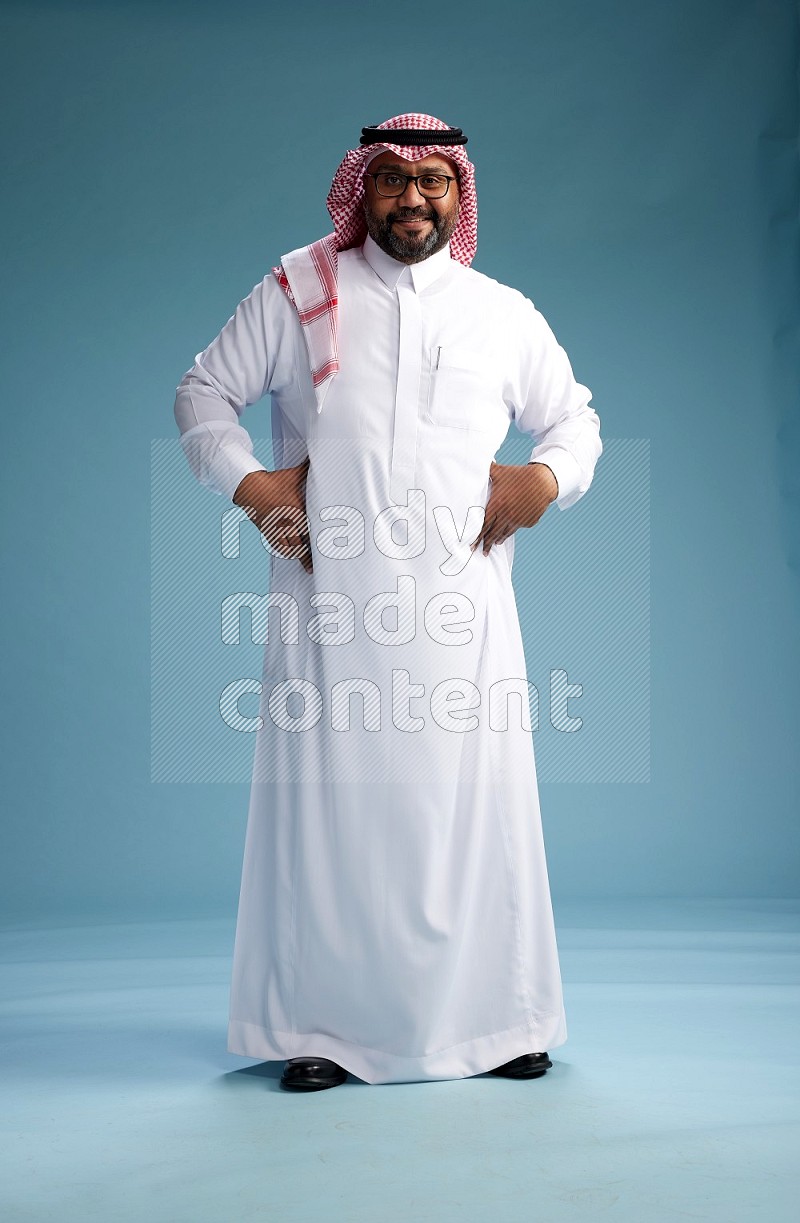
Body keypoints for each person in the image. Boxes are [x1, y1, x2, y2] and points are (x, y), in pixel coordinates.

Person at [173, 113, 602, 1092]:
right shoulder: (296, 291)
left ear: (460, 193)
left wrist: (541, 482)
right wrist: (255, 486)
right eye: (393, 180)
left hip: (464, 623)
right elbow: (202, 394)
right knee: (334, 826)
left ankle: (500, 1023)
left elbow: (572, 417)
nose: (413, 198)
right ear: (360, 189)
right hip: (333, 619)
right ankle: (323, 1028)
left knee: (476, 818)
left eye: (434, 180)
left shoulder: (499, 311)